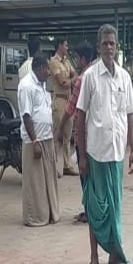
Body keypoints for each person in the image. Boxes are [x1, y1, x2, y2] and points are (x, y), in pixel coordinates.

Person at [76, 24, 133, 264]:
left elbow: (129, 114)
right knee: (95, 207)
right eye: (105, 44)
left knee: (115, 207)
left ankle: (115, 253)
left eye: (113, 44)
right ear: (99, 46)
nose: (109, 48)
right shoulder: (90, 76)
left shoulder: (124, 76)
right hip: (95, 153)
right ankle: (94, 258)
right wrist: (80, 156)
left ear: (117, 46)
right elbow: (80, 116)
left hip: (117, 154)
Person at [19, 53, 60, 227]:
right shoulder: (26, 86)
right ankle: (35, 216)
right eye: (47, 69)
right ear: (40, 68)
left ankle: (50, 213)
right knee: (35, 183)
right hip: (34, 141)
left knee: (48, 180)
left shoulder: (42, 85)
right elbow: (26, 116)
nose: (49, 72)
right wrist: (34, 140)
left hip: (47, 138)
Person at [57, 41, 95, 224]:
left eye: (78, 58)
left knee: (84, 174)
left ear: (83, 59)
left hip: (84, 135)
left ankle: (89, 211)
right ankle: (92, 209)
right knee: (93, 176)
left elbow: (71, 107)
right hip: (96, 135)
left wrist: (60, 127)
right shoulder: (96, 75)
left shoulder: (83, 79)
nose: (76, 61)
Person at [48, 38, 79, 176]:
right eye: (66, 45)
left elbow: (74, 76)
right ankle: (53, 166)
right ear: (59, 46)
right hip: (59, 101)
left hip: (68, 100)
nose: (67, 47)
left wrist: (71, 80)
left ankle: (67, 165)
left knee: (67, 135)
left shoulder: (66, 61)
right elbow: (63, 82)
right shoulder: (54, 62)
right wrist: (72, 80)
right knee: (57, 135)